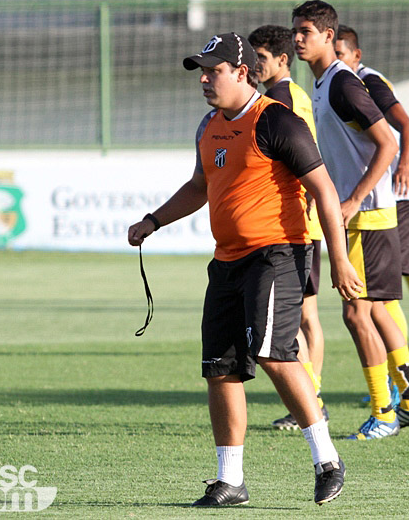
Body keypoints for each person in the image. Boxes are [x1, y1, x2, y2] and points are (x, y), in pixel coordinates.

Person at [128, 32, 361, 506]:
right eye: (202, 72)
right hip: (227, 260)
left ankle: (328, 460)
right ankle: (230, 480)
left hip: (278, 254)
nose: (205, 81)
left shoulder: (276, 120)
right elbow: (199, 185)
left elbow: (323, 190)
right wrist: (154, 220)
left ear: (241, 73)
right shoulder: (208, 126)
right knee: (220, 369)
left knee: (275, 354)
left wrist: (338, 257)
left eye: (213, 71)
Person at [292, 0, 409, 439]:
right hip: (361, 214)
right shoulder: (322, 84)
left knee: (356, 314)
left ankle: (384, 413)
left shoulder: (342, 85)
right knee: (378, 311)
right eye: (295, 30)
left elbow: (388, 142)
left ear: (329, 36)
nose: (298, 38)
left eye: (306, 31)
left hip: (368, 216)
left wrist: (352, 199)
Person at [334, 24, 409, 412]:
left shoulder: (365, 82)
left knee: (371, 305)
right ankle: (406, 390)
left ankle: (393, 397)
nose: (336, 60)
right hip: (374, 199)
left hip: (386, 201)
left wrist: (404, 166)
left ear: (356, 54)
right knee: (378, 304)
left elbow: (404, 129)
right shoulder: (337, 82)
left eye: (341, 53)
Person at [247, 24, 329, 431]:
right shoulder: (295, 94)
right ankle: (310, 397)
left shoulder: (279, 99)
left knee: (300, 316)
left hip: (295, 223)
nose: (254, 65)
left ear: (282, 60)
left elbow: (301, 157)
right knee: (303, 315)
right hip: (303, 221)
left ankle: (310, 398)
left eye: (260, 58)